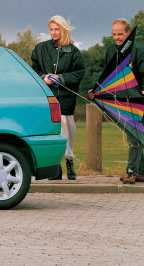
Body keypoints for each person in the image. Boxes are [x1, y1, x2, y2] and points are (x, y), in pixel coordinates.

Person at [88, 19, 144, 185]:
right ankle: (141, 173)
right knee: (134, 135)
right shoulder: (111, 49)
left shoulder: (138, 50)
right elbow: (109, 76)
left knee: (134, 136)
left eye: (120, 34)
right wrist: (96, 90)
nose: (117, 38)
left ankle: (131, 172)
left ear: (128, 33)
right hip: (120, 101)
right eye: (114, 34)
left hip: (137, 100)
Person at [31, 16, 85, 180]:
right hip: (47, 99)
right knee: (51, 133)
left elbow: (78, 73)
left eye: (57, 29)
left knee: (68, 133)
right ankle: (55, 168)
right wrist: (43, 77)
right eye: (51, 29)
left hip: (66, 99)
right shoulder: (40, 49)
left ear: (64, 30)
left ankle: (69, 163)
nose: (54, 32)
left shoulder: (73, 51)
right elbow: (33, 69)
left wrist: (60, 77)